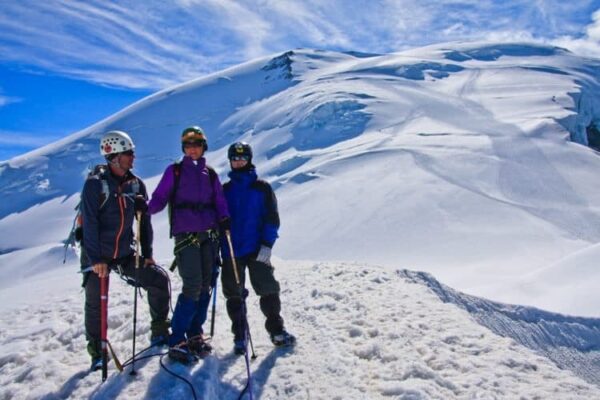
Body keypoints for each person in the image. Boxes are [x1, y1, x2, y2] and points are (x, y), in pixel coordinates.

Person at [81, 130, 170, 371]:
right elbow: (89, 223)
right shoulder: (94, 185)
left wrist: (148, 253)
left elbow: (145, 223)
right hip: (96, 253)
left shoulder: (136, 184)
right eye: (128, 153)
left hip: (122, 252)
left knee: (158, 280)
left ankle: (160, 330)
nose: (133, 157)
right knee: (95, 302)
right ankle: (97, 352)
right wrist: (96, 258)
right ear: (114, 156)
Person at [148, 126, 230, 364]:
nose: (192, 149)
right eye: (188, 145)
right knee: (193, 285)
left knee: (206, 285)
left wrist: (224, 219)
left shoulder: (210, 174)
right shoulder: (174, 172)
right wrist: (146, 208)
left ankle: (195, 333)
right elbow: (160, 197)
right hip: (186, 236)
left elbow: (219, 200)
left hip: (209, 235)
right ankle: (177, 339)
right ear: (184, 148)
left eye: (196, 144)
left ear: (203, 146)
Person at [221, 142, 295, 355]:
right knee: (234, 294)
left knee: (268, 289)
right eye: (235, 158)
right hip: (231, 251)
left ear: (250, 159)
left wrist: (267, 245)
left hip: (256, 248)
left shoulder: (262, 188)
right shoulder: (225, 190)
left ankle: (276, 330)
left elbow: (272, 218)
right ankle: (240, 336)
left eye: (243, 158)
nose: (239, 161)